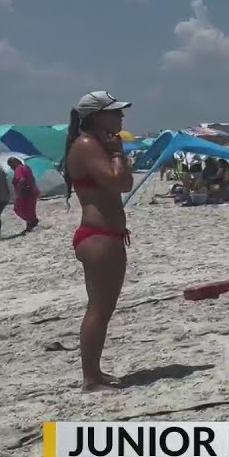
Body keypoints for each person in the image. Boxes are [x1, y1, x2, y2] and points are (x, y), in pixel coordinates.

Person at [63, 90, 135, 392]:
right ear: (95, 116)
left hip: (105, 235)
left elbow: (125, 182)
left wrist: (116, 151)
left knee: (103, 309)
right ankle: (90, 378)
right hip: (98, 236)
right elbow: (118, 181)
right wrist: (117, 151)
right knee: (99, 309)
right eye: (114, 111)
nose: (121, 116)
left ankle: (94, 373)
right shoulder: (87, 144)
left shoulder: (97, 144)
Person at [7, 156, 40, 232]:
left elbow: (21, 180)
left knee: (18, 209)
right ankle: (31, 223)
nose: (11, 167)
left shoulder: (19, 168)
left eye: (11, 165)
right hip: (32, 191)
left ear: (15, 162)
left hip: (25, 193)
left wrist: (19, 190)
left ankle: (32, 221)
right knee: (30, 209)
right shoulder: (26, 167)